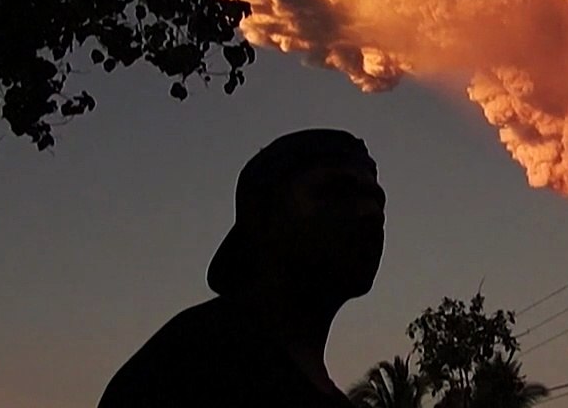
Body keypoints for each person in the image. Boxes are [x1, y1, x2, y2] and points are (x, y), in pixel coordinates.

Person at [98, 128, 387, 407]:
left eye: (376, 199)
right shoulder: (192, 364)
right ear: (263, 217)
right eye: (336, 192)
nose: (371, 213)